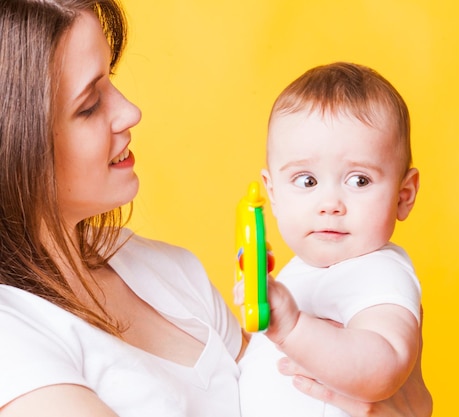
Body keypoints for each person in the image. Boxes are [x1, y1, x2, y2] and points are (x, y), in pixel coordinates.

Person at [0, 1, 431, 416]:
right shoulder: (13, 334)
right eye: (90, 105)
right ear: (17, 146)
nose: (131, 111)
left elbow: (272, 389)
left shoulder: (168, 269)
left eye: (111, 78)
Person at [237, 62, 425, 417]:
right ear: (272, 192)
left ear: (404, 195)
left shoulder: (378, 270)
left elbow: (385, 365)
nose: (330, 205)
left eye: (359, 180)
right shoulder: (301, 270)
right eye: (307, 181)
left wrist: (291, 326)